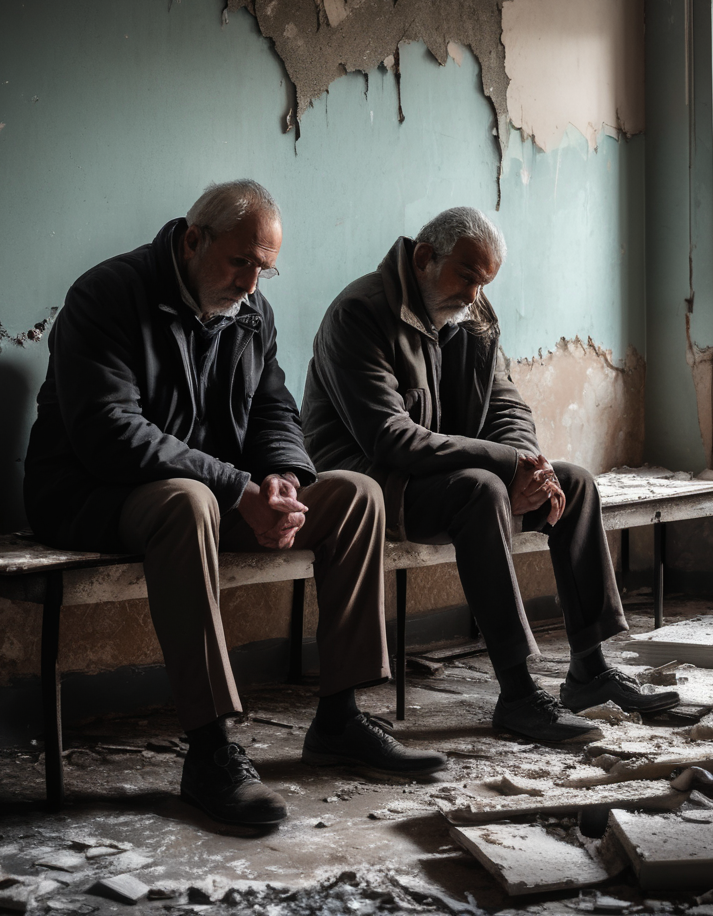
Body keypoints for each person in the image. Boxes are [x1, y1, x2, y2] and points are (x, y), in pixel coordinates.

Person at [24, 180, 445, 828]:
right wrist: (236, 488)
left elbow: (273, 407)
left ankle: (340, 717)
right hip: (93, 495)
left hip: (213, 490)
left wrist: (281, 476)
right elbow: (112, 434)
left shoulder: (252, 314)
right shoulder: (106, 296)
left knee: (357, 495)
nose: (252, 283)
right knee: (188, 502)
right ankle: (210, 750)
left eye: (265, 269)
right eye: (240, 262)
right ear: (194, 241)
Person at [301, 207, 679, 744]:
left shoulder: (468, 314)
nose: (475, 295)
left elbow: (508, 406)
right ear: (425, 258)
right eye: (468, 276)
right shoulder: (359, 314)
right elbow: (390, 437)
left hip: (444, 471)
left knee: (573, 484)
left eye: (485, 282)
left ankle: (589, 671)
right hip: (371, 484)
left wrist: (530, 464)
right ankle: (519, 693)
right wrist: (504, 466)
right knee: (480, 491)